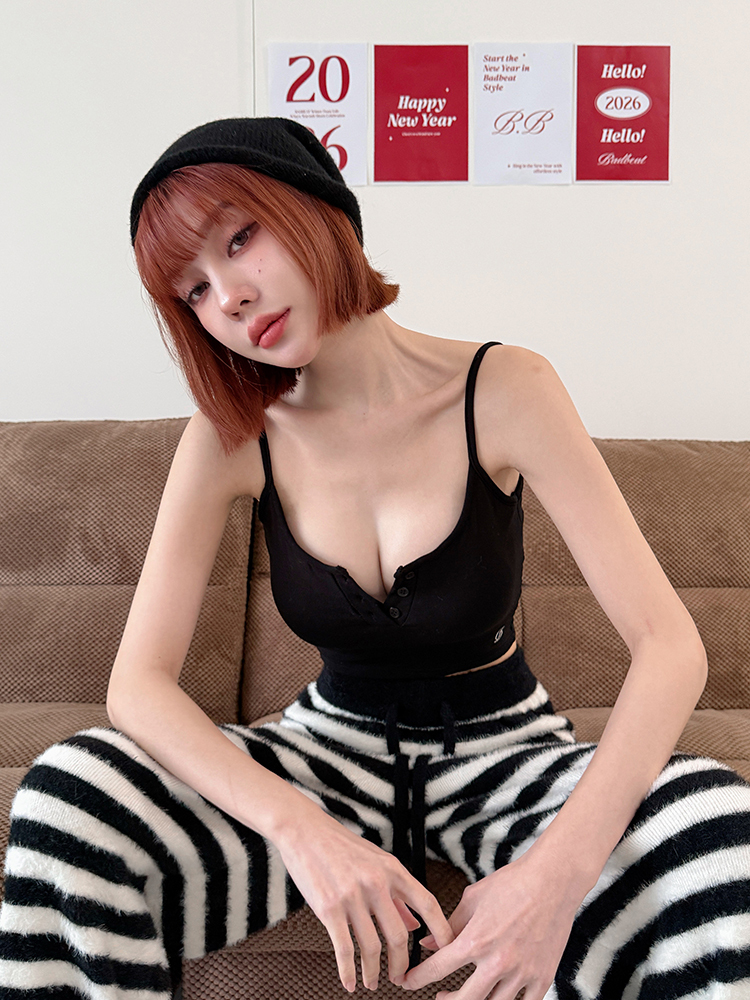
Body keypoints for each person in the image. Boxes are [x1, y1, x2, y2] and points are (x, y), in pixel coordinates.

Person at [1, 117, 749, 1000]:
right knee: (68, 794)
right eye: (194, 289)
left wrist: (556, 875)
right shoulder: (233, 435)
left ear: (319, 210)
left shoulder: (506, 388)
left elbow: (670, 646)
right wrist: (299, 829)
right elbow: (138, 686)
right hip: (326, 754)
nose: (229, 297)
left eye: (240, 239)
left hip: (506, 752)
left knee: (718, 830)